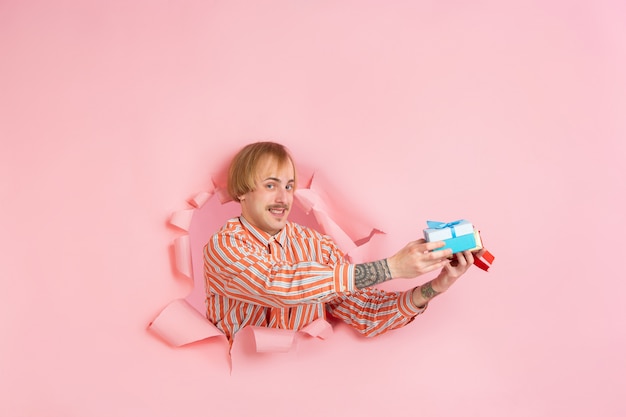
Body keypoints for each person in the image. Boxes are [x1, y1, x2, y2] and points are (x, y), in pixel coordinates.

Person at [204, 141, 481, 343]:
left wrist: (434, 287)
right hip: (237, 394)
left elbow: (365, 312)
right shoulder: (223, 247)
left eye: (289, 186)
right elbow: (280, 286)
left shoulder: (317, 245)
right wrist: (391, 268)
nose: (283, 198)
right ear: (242, 192)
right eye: (270, 185)